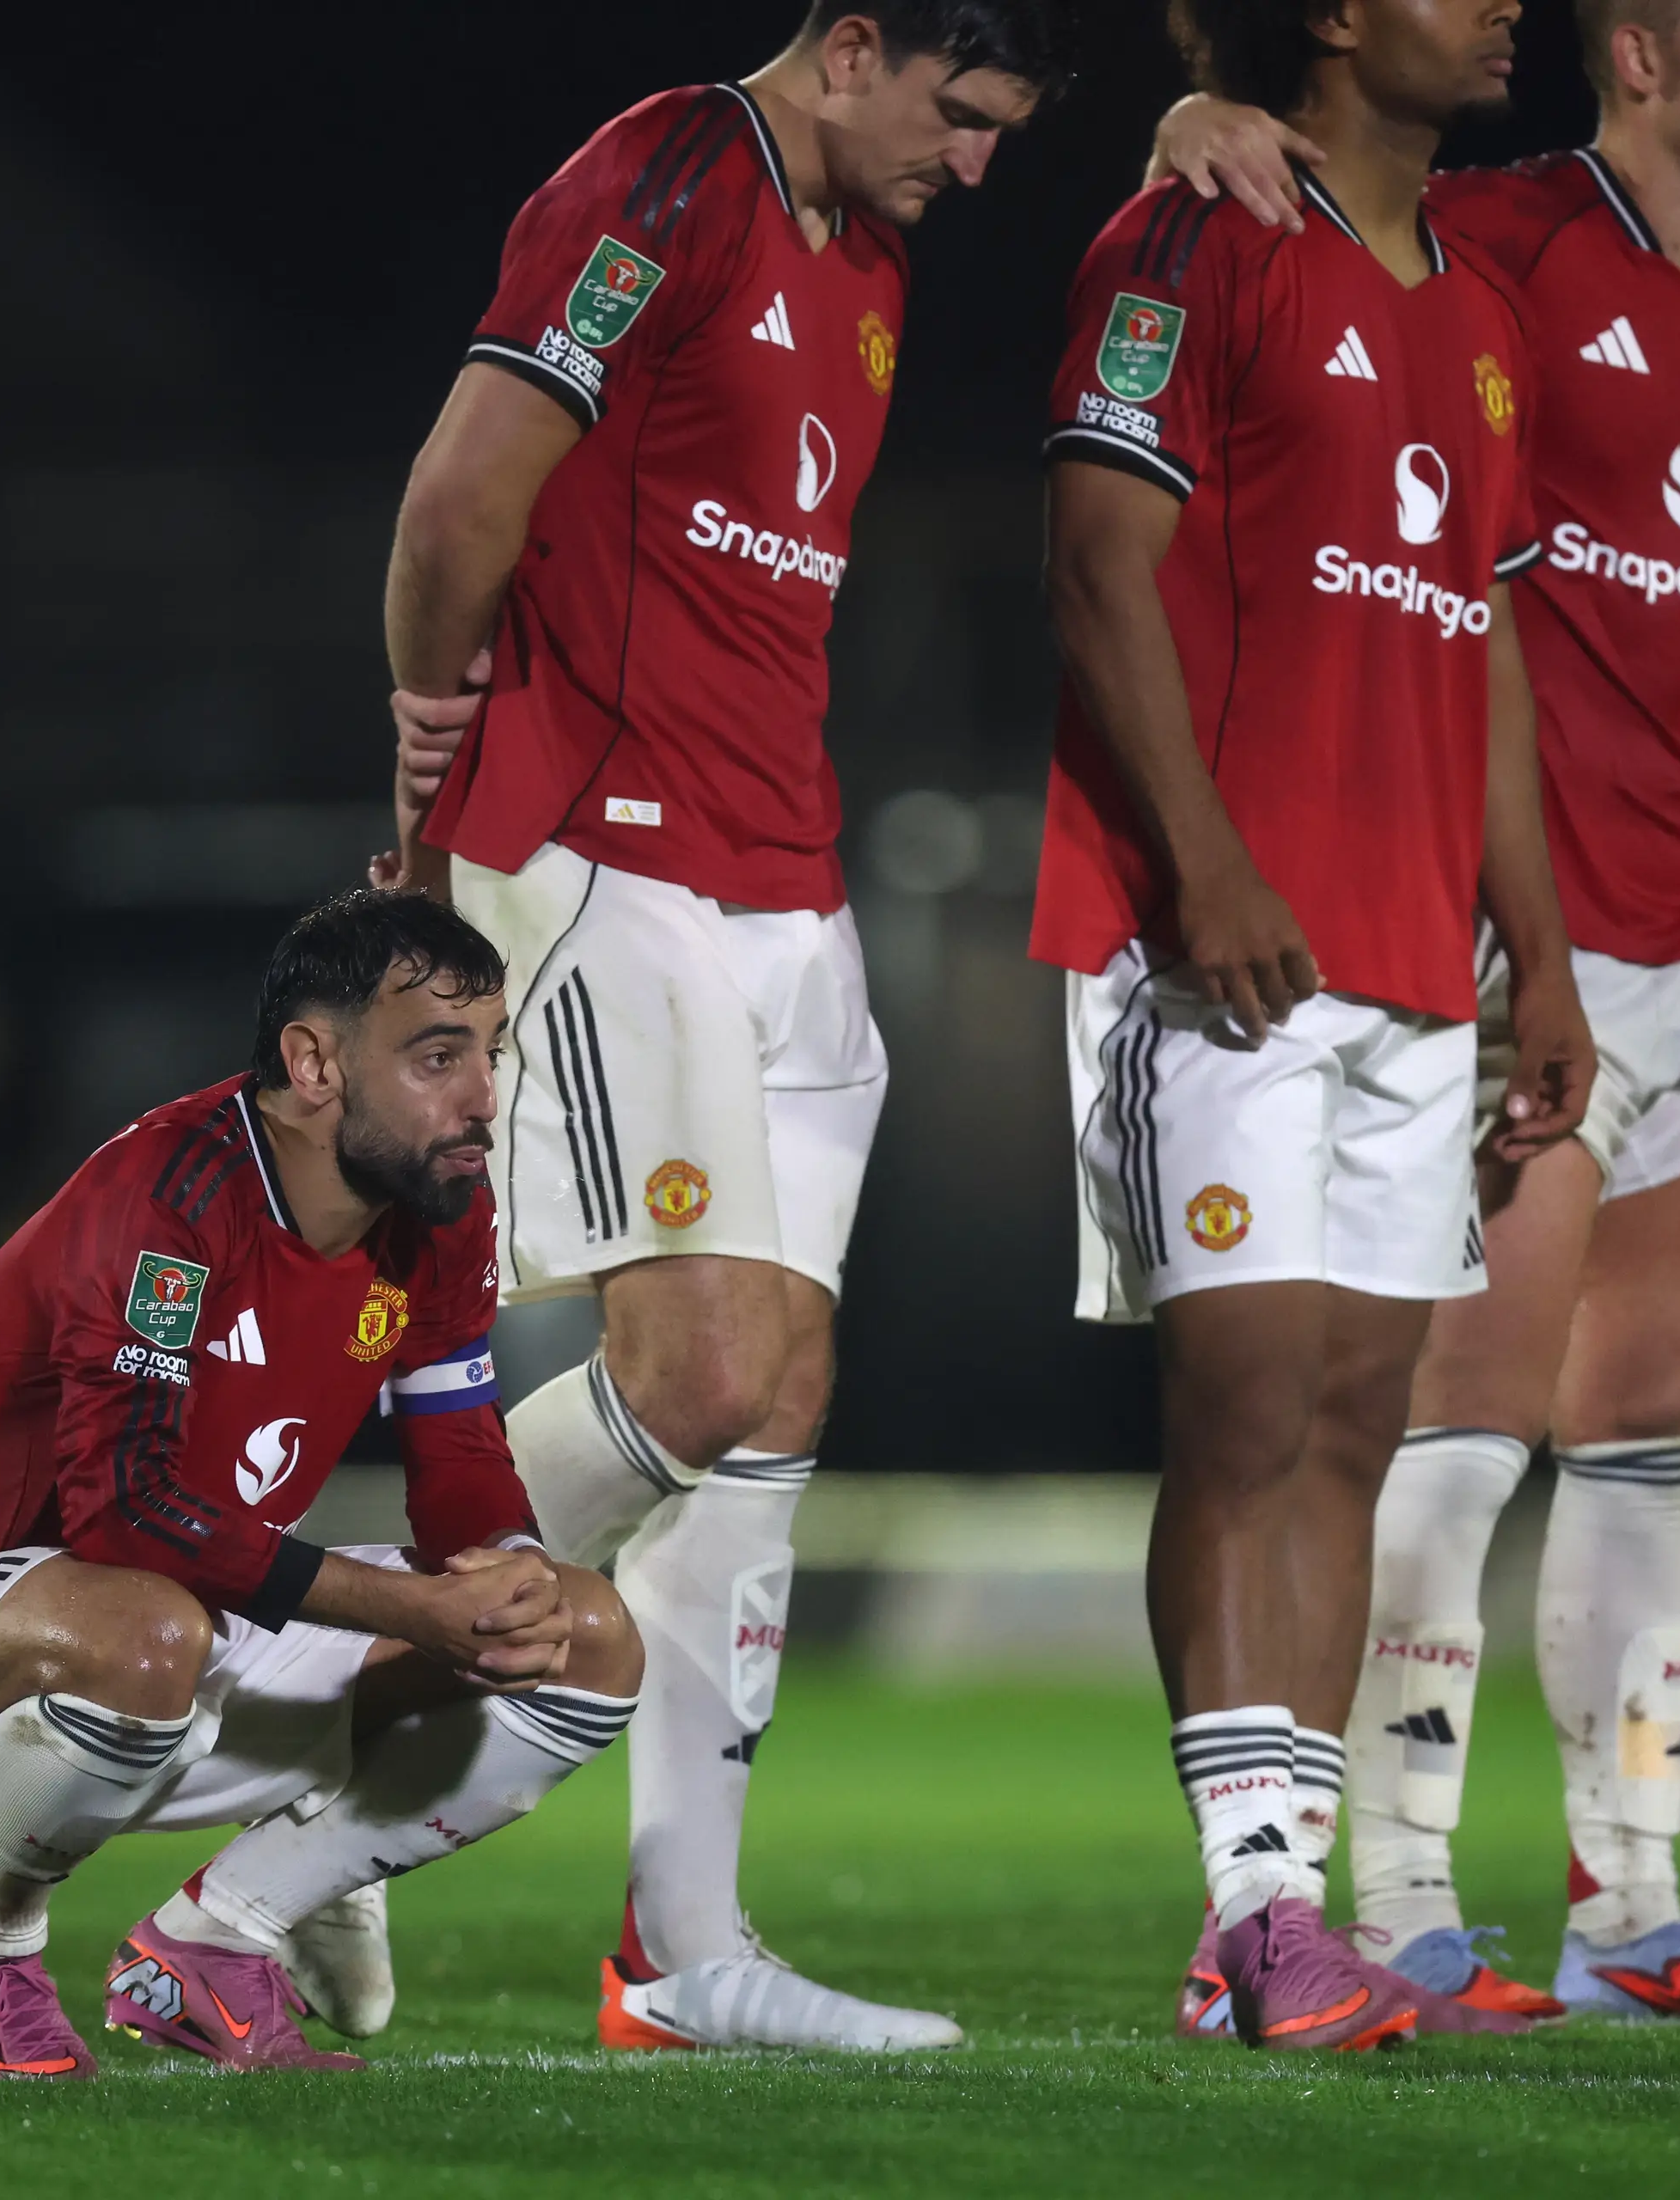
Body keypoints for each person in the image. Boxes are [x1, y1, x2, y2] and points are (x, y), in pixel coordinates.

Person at [370, 3, 1073, 2052]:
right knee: (701, 1362)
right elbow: (455, 504)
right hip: (605, 855)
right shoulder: (670, 172)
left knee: (774, 1404)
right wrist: (421, 811)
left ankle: (685, 1952)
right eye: (960, 113)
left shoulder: (873, 255)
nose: (978, 163)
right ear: (849, 47)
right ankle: (314, 1679)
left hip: (792, 886)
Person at [1148, 0, 1680, 2023]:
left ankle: (1634, 1909)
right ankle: (1407, 1903)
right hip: (1540, 936)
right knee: (1445, 1439)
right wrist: (1197, 107)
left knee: (1645, 1451)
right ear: (1640, 53)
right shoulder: (1507, 238)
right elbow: (1293, 206)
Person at [1038, 0, 1591, 2051]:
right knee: (1251, 1413)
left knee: (1357, 1426)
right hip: (1220, 950)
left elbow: (1490, 634)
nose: (1505, 10)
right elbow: (1098, 567)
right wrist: (1202, 862)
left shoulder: (1477, 306)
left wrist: (1541, 941)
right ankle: (1261, 1903)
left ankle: (1278, 1922)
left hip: (1413, 956)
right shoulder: (1186, 234)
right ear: (1343, 17)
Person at [0, 889, 644, 2081]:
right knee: (150, 1630)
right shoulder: (167, 1201)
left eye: (491, 1052)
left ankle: (220, 1938)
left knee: (585, 1637)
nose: (481, 1096)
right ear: (313, 1062)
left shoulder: (438, 1211)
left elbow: (456, 1453)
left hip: (186, 1632)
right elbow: (126, 1513)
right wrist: (413, 1610)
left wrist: (501, 1567)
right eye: (436, 1056)